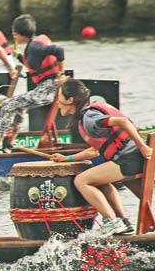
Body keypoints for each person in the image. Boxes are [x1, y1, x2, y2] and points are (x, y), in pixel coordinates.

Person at [50, 79, 153, 236]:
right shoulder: (89, 115)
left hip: (130, 159)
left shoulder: (89, 118)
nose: (57, 103)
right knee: (102, 182)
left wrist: (142, 146)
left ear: (70, 100)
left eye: (60, 99)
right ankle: (122, 221)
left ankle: (112, 222)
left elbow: (123, 121)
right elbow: (93, 152)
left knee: (81, 180)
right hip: (132, 158)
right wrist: (67, 159)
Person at [0, 14, 66, 154]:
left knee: (8, 104)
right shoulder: (33, 46)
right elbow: (34, 64)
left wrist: (61, 75)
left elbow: (59, 50)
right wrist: (19, 57)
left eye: (14, 31)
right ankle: (9, 144)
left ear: (17, 33)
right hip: (46, 88)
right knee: (18, 107)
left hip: (49, 89)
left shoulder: (35, 47)